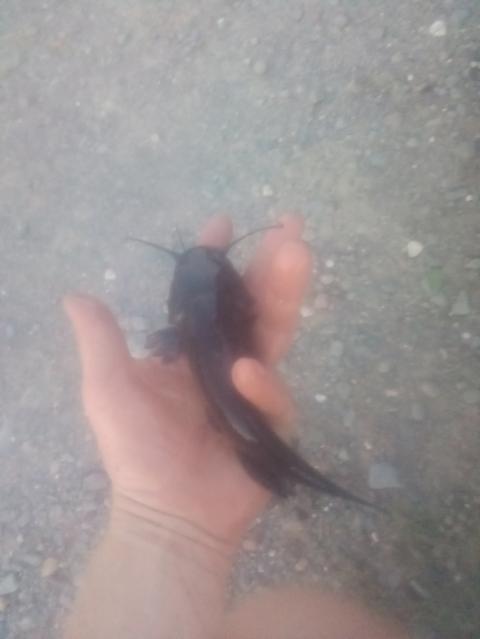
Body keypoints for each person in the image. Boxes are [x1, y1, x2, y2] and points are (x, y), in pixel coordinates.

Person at [62, 215, 407, 639]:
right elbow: (237, 312)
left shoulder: (179, 331)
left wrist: (161, 527)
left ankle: (280, 470)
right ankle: (282, 470)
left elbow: (196, 325)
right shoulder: (228, 312)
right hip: (233, 408)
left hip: (227, 405)